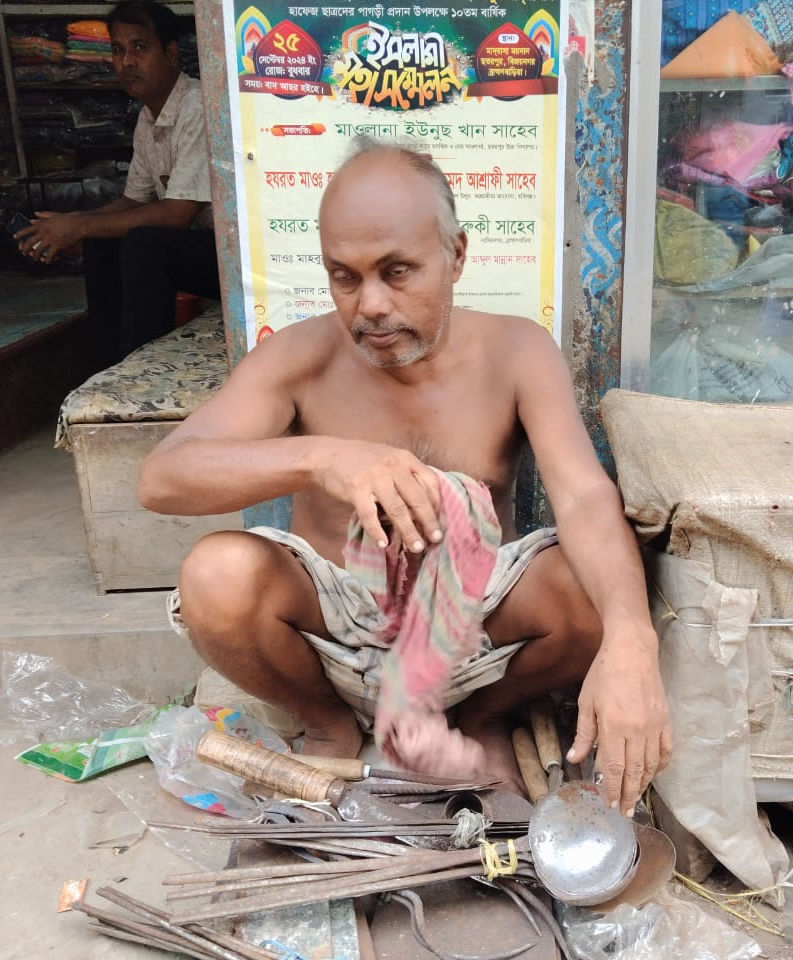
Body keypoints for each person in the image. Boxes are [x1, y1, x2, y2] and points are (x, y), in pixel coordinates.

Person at [137, 138, 673, 814]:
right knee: (215, 577)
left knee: (595, 585)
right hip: (334, 632)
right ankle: (325, 720)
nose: (371, 306)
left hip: (469, 635)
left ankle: (481, 720)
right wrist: (325, 457)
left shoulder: (516, 350)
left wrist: (632, 640)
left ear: (457, 257)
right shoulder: (299, 356)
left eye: (398, 271)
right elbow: (162, 478)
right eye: (345, 277)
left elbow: (584, 495)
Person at [15, 0, 219, 370]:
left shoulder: (198, 107)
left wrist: (80, 224)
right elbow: (133, 199)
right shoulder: (149, 115)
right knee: (102, 242)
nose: (126, 61)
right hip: (201, 246)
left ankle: (143, 370)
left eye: (139, 47)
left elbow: (176, 214)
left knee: (146, 245)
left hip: (232, 258)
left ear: (171, 53)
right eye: (117, 49)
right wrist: (73, 223)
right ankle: (110, 366)